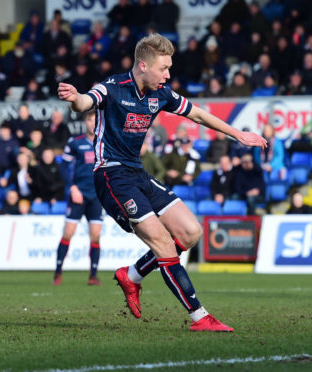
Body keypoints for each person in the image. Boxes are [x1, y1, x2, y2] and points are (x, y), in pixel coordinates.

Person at [57, 33, 266, 332]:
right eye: (163, 68)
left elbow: (199, 115)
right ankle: (200, 317)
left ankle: (132, 275)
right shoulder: (114, 87)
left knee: (191, 232)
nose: (168, 75)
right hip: (111, 176)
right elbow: (86, 102)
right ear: (143, 65)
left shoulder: (161, 94)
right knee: (164, 244)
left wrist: (238, 135)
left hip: (137, 174)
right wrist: (75, 98)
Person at [53, 111, 104, 286]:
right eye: (89, 120)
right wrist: (73, 188)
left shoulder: (106, 142)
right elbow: (63, 166)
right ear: (85, 122)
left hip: (97, 195)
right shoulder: (75, 142)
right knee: (68, 233)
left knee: (96, 236)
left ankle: (93, 276)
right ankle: (58, 273)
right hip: (78, 195)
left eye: (95, 120)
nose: (92, 123)